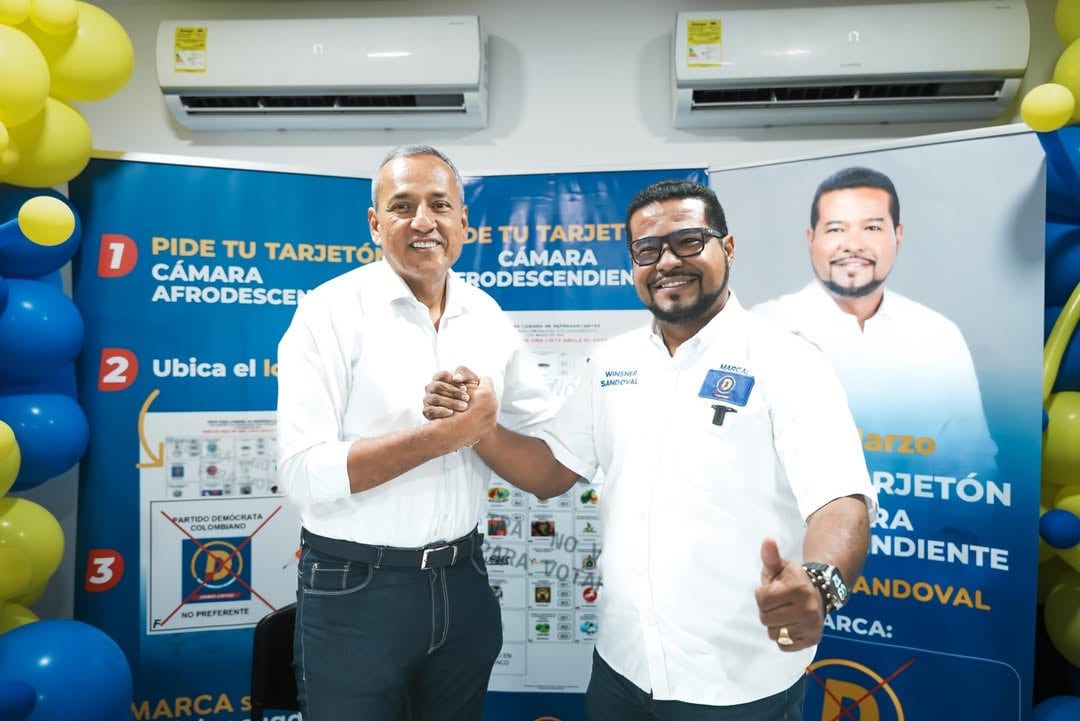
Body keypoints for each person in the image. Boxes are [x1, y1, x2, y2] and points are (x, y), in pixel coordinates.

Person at [423, 179, 877, 721]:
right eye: (647, 249)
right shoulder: (611, 363)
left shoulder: (788, 361)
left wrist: (820, 582)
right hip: (623, 670)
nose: (667, 261)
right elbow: (550, 470)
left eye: (688, 241)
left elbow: (840, 500)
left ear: (728, 248)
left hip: (737, 685)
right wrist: (478, 427)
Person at [275, 144, 555, 721]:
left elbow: (545, 445)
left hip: (464, 579)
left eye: (439, 204)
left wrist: (483, 427)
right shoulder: (328, 313)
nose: (423, 220)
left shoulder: (487, 315)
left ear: (463, 222)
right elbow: (303, 473)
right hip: (356, 588)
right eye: (402, 206)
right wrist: (445, 436)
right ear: (375, 223)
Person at [751, 166, 996, 464]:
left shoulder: (938, 334)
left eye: (872, 228)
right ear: (811, 238)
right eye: (836, 229)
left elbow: (974, 460)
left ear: (898, 236)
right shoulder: (763, 327)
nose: (853, 245)